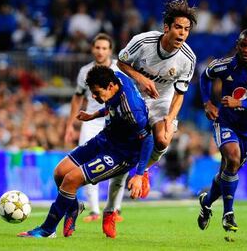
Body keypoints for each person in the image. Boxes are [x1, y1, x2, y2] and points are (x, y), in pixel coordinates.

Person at [18, 66, 154, 238]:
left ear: (111, 86)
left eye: (97, 93)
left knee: (70, 180)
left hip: (121, 155)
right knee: (60, 173)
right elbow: (113, 107)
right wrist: (93, 115)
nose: (94, 97)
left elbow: (148, 139)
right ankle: (74, 207)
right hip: (105, 139)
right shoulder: (116, 78)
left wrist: (140, 174)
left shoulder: (133, 110)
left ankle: (47, 229)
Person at [116, 0, 197, 199]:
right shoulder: (143, 42)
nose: (182, 33)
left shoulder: (188, 58)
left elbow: (180, 94)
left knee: (162, 140)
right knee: (126, 141)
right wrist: (141, 78)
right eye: (178, 27)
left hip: (162, 98)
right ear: (166, 27)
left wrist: (169, 120)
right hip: (135, 94)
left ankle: (142, 172)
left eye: (186, 29)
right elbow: (121, 63)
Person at [197, 28, 247, 233]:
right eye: (243, 45)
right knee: (232, 158)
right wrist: (208, 103)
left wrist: (240, 102)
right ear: (237, 45)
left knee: (228, 172)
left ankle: (206, 202)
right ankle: (228, 214)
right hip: (225, 122)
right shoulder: (223, 65)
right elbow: (204, 77)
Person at [64, 33, 126, 224]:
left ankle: (114, 209)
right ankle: (94, 210)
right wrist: (70, 125)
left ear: (110, 50)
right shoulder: (85, 71)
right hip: (91, 122)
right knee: (86, 163)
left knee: (119, 166)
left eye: (104, 48)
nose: (100, 51)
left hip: (114, 121)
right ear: (92, 49)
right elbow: (77, 97)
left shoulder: (119, 68)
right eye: (97, 47)